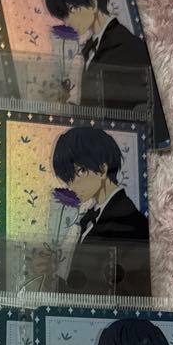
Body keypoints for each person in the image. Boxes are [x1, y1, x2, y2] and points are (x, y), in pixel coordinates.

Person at [43, 0, 167, 144]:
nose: (67, 22)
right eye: (62, 16)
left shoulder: (127, 47)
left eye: (70, 10)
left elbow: (123, 112)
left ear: (93, 4)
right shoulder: (89, 50)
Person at [48, 126, 150, 296]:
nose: (72, 184)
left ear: (103, 169)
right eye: (68, 177)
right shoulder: (87, 219)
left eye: (80, 171)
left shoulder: (133, 224)